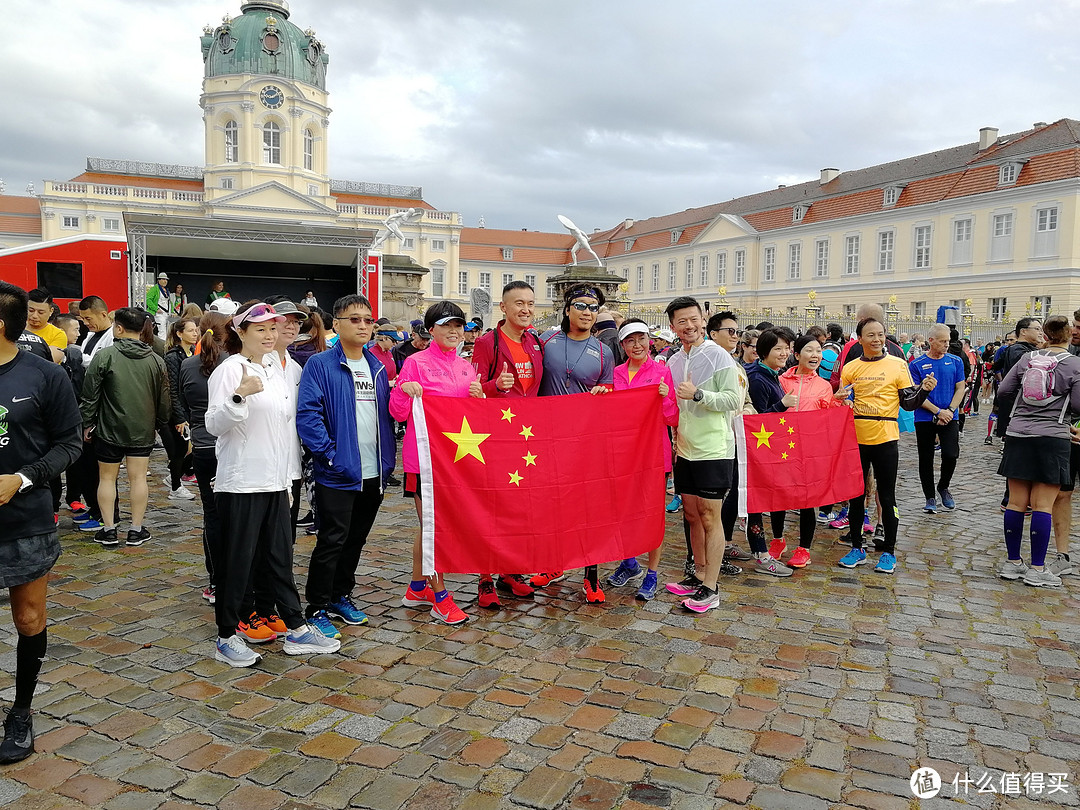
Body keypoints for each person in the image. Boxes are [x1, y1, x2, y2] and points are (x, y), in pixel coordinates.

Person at [205, 302, 340, 667]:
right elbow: (214, 423)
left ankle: (296, 628)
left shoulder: (277, 370)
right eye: (260, 329)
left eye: (272, 328)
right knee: (238, 561)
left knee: (280, 556)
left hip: (278, 480)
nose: (268, 335)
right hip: (243, 481)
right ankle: (226, 636)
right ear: (241, 332)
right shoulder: (231, 369)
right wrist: (239, 395)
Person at [0, 282, 83, 764]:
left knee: (28, 617)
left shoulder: (44, 377)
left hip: (25, 517)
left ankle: (22, 710)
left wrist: (23, 478)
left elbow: (69, 445)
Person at [297, 294, 396, 638]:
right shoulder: (320, 365)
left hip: (374, 472)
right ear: (336, 324)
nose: (364, 326)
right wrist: (330, 454)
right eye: (354, 319)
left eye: (368, 320)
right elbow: (308, 415)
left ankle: (341, 596)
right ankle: (317, 606)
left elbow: (387, 414)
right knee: (332, 540)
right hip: (338, 471)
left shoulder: (379, 366)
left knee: (356, 539)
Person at [389, 300, 481, 625]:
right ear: (431, 330)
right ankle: (440, 597)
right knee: (435, 526)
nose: (454, 331)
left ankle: (417, 588)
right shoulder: (414, 363)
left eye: (459, 325)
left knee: (429, 524)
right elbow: (398, 412)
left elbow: (470, 418)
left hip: (455, 459)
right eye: (447, 325)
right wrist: (403, 389)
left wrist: (479, 399)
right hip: (422, 460)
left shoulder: (467, 367)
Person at [534, 285, 615, 602]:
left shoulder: (604, 352)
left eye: (593, 307)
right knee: (554, 506)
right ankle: (554, 565)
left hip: (585, 441)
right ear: (567, 309)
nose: (586, 311)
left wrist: (603, 394)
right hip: (548, 437)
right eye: (580, 305)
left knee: (587, 509)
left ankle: (591, 575)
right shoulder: (546, 342)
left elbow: (609, 393)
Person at [663, 296, 742, 613]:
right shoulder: (673, 362)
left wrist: (699, 394)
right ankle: (697, 575)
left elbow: (733, 401)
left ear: (703, 320)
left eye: (694, 319)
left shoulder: (719, 356)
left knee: (711, 517)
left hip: (714, 448)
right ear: (673, 327)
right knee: (691, 514)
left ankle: (711, 587)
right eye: (682, 321)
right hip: (685, 449)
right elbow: (673, 408)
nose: (690, 325)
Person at [838, 317, 935, 573]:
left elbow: (908, 403)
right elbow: (842, 401)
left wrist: (923, 390)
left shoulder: (897, 364)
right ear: (860, 339)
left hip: (886, 437)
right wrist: (840, 401)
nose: (877, 339)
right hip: (856, 437)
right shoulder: (850, 368)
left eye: (881, 334)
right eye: (871, 335)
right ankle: (857, 547)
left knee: (887, 495)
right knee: (856, 496)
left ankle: (889, 552)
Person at [471, 281, 545, 607]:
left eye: (530, 303)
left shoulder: (536, 343)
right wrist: (493, 386)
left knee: (520, 508)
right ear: (503, 307)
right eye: (518, 303)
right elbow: (471, 390)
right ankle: (485, 578)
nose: (525, 309)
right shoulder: (488, 343)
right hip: (497, 436)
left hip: (527, 437)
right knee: (494, 507)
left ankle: (511, 572)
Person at [996, 315, 1080, 588]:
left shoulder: (1026, 360)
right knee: (1043, 504)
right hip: (1052, 437)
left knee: (1016, 502)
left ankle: (1012, 563)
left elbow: (1004, 391)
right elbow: (1078, 405)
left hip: (1018, 434)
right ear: (1068, 335)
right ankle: (1038, 568)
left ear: (1044, 334)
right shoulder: (1075, 365)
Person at [80, 308, 170, 548]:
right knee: (138, 478)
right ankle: (136, 529)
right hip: (142, 429)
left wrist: (87, 423)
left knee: (107, 479)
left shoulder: (104, 355)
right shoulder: (155, 360)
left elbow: (90, 396)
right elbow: (164, 400)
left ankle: (109, 529)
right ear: (142, 330)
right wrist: (160, 423)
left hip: (108, 429)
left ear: (118, 328)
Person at [607, 319, 678, 600]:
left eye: (641, 339)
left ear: (649, 341)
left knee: (652, 516)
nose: (637, 345)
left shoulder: (662, 372)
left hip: (654, 454)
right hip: (623, 453)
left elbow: (672, 418)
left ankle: (652, 573)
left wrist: (664, 399)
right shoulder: (617, 373)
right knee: (622, 511)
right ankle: (629, 562)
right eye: (630, 341)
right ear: (622, 345)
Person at [774, 334, 848, 568]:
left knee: (807, 499)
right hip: (782, 447)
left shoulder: (824, 386)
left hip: (809, 450)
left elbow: (827, 418)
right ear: (797, 355)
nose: (815, 355)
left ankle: (804, 547)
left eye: (818, 351)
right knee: (778, 496)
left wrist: (838, 403)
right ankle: (778, 540)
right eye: (809, 350)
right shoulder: (781, 380)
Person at [178, 311, 231, 606]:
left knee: (212, 514)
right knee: (237, 516)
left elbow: (183, 404)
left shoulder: (187, 365)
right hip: (230, 447)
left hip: (202, 447)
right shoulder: (235, 364)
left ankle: (215, 580)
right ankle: (235, 577)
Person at [744, 328, 800, 577]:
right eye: (778, 348)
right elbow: (754, 422)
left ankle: (724, 545)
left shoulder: (770, 374)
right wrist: (782, 405)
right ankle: (761, 554)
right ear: (764, 351)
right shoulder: (757, 378)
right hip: (755, 452)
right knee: (752, 500)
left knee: (740, 501)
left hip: (766, 450)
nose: (784, 353)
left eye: (787, 348)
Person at [909, 325, 967, 513]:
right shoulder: (916, 364)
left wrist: (950, 410)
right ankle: (930, 496)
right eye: (942, 341)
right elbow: (917, 392)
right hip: (925, 417)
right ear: (931, 341)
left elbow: (960, 388)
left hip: (950, 415)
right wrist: (937, 411)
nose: (946, 345)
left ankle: (943, 486)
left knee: (951, 454)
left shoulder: (955, 361)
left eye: (948, 341)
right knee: (925, 458)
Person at [162, 318, 199, 501]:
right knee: (181, 448)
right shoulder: (172, 357)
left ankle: (174, 476)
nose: (195, 333)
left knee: (190, 447)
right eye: (191, 330)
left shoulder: (192, 353)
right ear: (179, 333)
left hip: (190, 408)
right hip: (178, 411)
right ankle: (175, 486)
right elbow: (173, 390)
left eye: (195, 330)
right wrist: (179, 417)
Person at [25, 289, 65, 364]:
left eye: (41, 312)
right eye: (31, 310)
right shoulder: (14, 328)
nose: (34, 316)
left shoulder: (58, 334)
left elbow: (50, 360)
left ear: (51, 311)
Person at [146, 273, 172, 339]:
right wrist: (156, 309)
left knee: (168, 329)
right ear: (159, 280)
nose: (165, 281)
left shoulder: (166, 290)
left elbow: (169, 302)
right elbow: (147, 300)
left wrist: (172, 311)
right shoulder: (154, 289)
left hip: (166, 313)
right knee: (162, 330)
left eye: (166, 279)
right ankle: (162, 344)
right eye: (163, 279)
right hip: (158, 313)